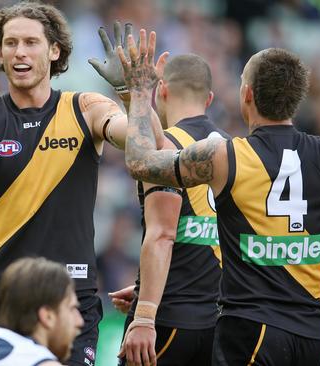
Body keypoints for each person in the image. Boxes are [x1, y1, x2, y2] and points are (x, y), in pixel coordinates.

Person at [0, 4, 159, 364]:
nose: (20, 52)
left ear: (54, 50)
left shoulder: (85, 108)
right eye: (10, 43)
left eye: (31, 42)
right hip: (2, 297)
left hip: (70, 296)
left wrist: (131, 91)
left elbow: (149, 146)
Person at [121, 31, 320, 366]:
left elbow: (140, 163)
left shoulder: (224, 156)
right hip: (312, 335)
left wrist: (138, 93)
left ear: (247, 95)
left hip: (251, 331)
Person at [106, 53, 228, 366]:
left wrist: (145, 312)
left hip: (168, 320)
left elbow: (163, 235)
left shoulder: (164, 147)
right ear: (209, 98)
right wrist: (145, 285)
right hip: (221, 323)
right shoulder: (233, 151)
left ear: (162, 90)